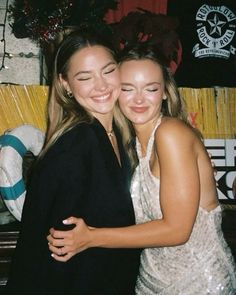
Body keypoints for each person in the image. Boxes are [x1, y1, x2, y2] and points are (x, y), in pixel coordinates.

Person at [48, 43, 236, 294]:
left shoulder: (171, 134)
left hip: (198, 282)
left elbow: (177, 230)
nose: (138, 99)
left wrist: (91, 237)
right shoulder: (131, 144)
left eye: (151, 88)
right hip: (150, 282)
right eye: (127, 88)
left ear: (165, 93)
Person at [5, 29, 141, 295]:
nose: (101, 86)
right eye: (85, 77)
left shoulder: (119, 135)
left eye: (108, 70)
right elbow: (53, 252)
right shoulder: (77, 145)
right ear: (65, 83)